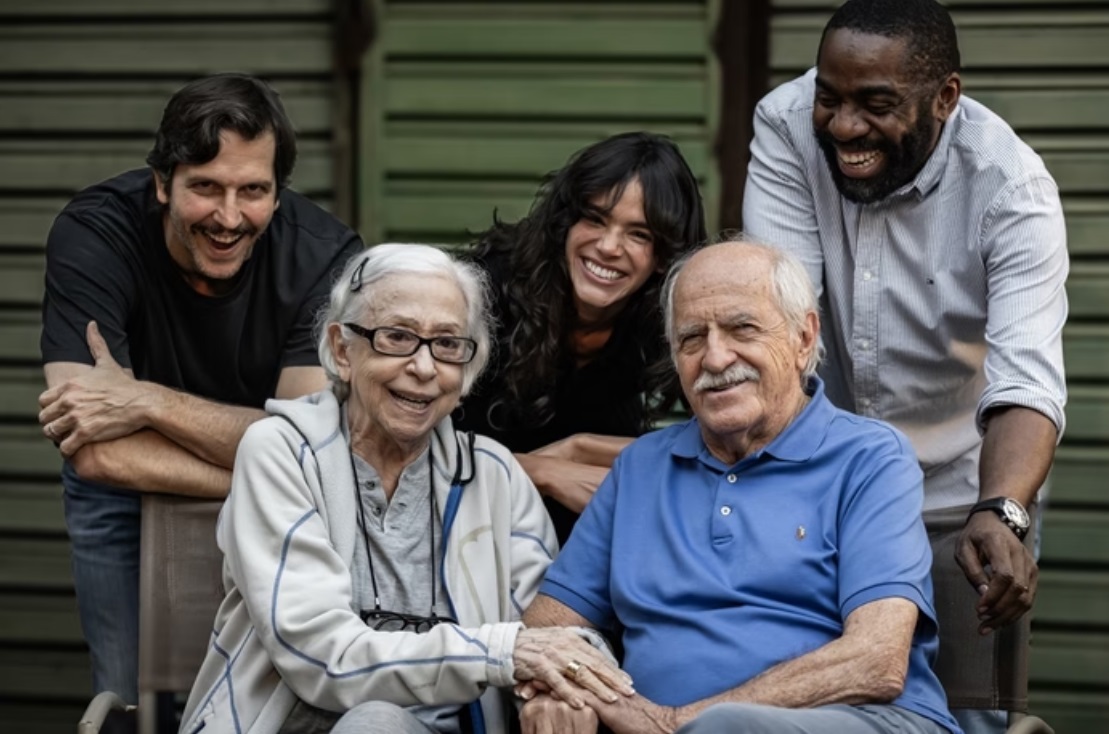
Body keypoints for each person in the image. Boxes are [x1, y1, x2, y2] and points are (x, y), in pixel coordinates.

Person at [741, 1, 1067, 730]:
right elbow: (779, 327)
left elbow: (1027, 379)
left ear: (944, 97)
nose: (844, 126)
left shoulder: (1011, 191)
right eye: (830, 97)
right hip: (819, 481)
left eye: (876, 104)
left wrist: (1001, 511)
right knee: (808, 700)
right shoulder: (786, 123)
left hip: (960, 494)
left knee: (970, 714)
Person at [179, 245, 633, 734]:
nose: (423, 367)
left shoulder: (493, 474)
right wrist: (500, 652)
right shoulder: (281, 453)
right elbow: (321, 656)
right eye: (396, 337)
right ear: (341, 349)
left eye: (447, 345)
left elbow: (552, 627)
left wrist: (562, 680)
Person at [518, 240, 961, 734]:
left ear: (803, 337)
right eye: (691, 338)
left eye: (742, 328)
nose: (714, 357)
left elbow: (875, 660)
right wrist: (562, 690)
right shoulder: (641, 467)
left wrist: (677, 723)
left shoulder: (869, 458)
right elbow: (547, 625)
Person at [37, 73, 363, 707]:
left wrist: (145, 402)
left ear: (278, 192)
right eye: (205, 188)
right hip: (119, 493)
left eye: (254, 191)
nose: (229, 216)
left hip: (269, 499)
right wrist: (276, 464)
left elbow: (312, 452)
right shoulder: (95, 235)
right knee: (134, 699)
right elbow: (96, 452)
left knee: (272, 694)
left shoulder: (324, 257)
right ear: (163, 184)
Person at [458, 132, 707, 543]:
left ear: (664, 257)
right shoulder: (481, 294)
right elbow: (408, 455)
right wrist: (543, 471)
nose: (608, 247)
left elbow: (719, 446)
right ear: (564, 223)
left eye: (639, 234)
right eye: (594, 219)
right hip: (460, 531)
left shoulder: (662, 322)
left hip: (573, 548)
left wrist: (581, 447)